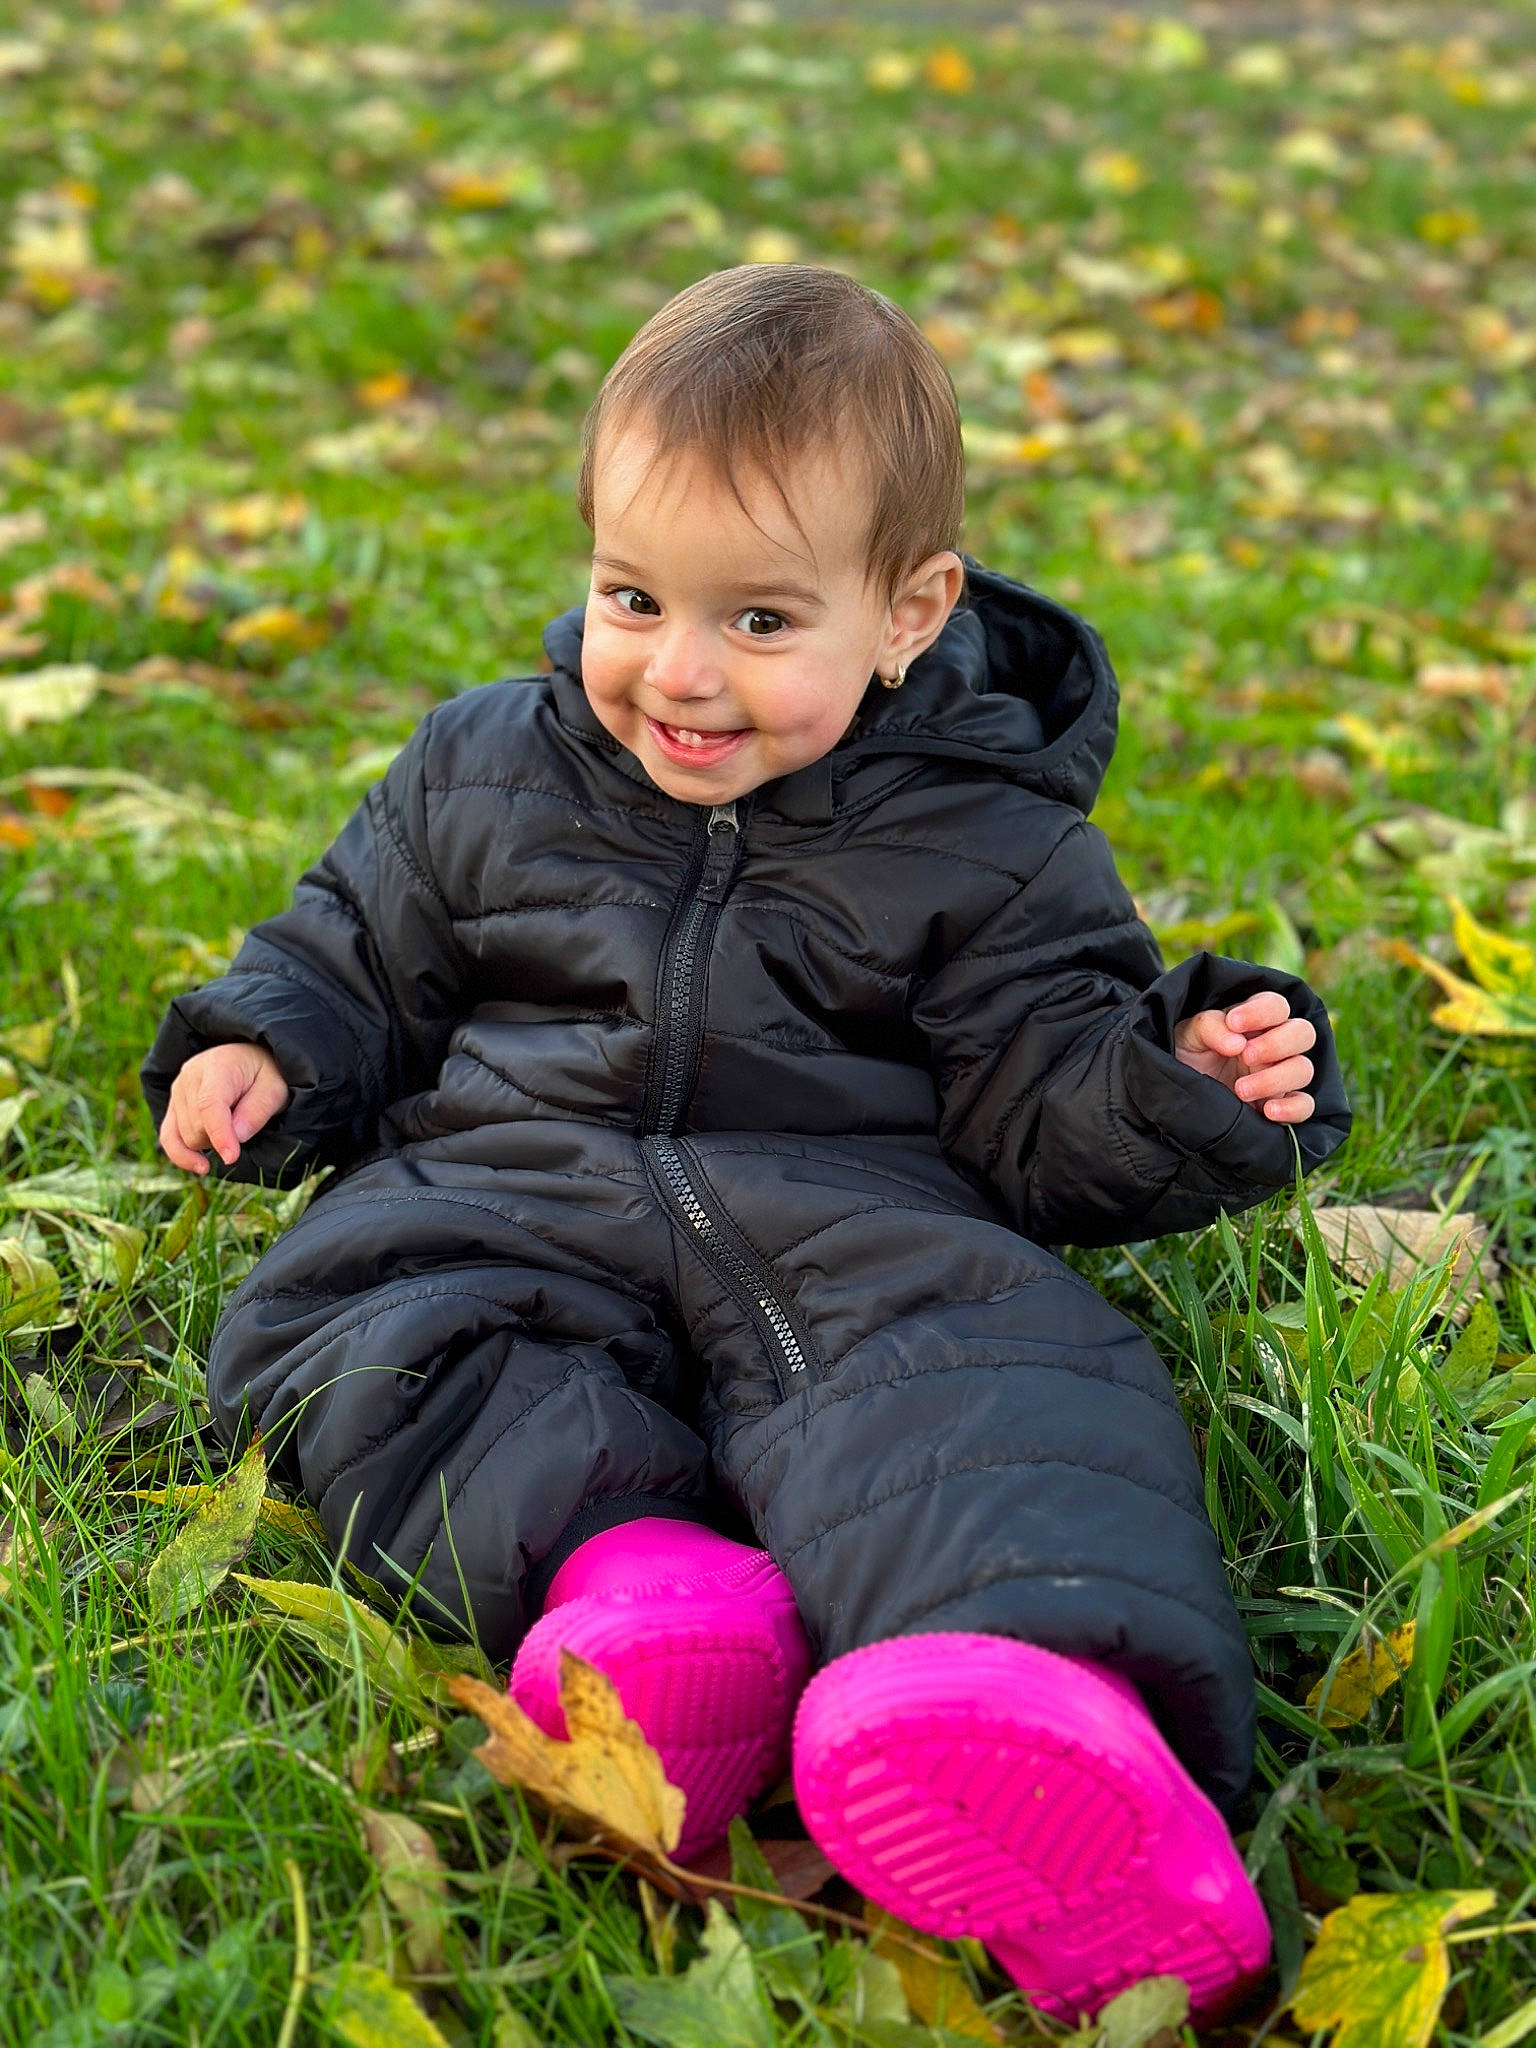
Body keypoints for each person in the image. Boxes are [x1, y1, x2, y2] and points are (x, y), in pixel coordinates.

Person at [141, 264, 1350, 2024]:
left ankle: (1029, 1705)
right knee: (379, 1345)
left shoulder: (990, 841)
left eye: (763, 621)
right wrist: (267, 1043)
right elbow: (354, 948)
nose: (682, 672)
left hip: (854, 1229)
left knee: (990, 1384)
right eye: (633, 597)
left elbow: (1042, 1097)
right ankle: (651, 1603)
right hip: (513, 1196)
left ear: (911, 610)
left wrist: (1169, 1084)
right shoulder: (486, 767)